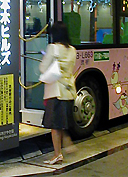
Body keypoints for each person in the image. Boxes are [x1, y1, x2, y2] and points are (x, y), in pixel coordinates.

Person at [39, 21, 77, 165]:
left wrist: (44, 58)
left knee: (55, 126)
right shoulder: (73, 50)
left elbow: (43, 68)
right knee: (61, 124)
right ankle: (65, 145)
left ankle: (57, 154)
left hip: (55, 91)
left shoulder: (53, 48)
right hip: (68, 90)